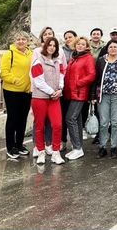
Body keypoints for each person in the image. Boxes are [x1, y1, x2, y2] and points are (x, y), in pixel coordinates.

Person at [30, 37, 66, 165]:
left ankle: (56, 152)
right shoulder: (37, 60)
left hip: (55, 98)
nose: (51, 47)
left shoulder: (58, 60)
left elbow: (62, 75)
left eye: (54, 45)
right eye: (49, 45)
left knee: (57, 125)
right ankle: (41, 151)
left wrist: (60, 89)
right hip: (40, 97)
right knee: (40, 126)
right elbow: (38, 81)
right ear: (45, 46)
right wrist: (52, 92)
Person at [0, 31, 33, 160]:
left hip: (27, 91)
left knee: (23, 119)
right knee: (12, 119)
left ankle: (19, 144)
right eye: (18, 39)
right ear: (14, 41)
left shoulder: (31, 54)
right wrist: (15, 80)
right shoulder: (9, 54)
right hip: (12, 91)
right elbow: (4, 72)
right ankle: (10, 146)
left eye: (23, 39)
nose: (21, 41)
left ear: (27, 41)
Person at [94, 39, 117, 159]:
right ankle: (102, 147)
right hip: (103, 95)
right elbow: (96, 78)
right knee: (104, 122)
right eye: (111, 47)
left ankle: (114, 147)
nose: (113, 49)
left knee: (116, 122)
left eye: (115, 47)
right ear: (107, 49)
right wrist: (93, 96)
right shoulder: (101, 61)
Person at [64, 36, 96, 160]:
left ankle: (77, 147)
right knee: (76, 119)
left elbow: (91, 75)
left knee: (70, 118)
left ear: (87, 46)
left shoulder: (88, 58)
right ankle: (78, 147)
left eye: (83, 44)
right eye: (78, 44)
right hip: (72, 92)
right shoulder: (75, 57)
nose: (80, 46)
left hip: (79, 92)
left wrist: (78, 83)